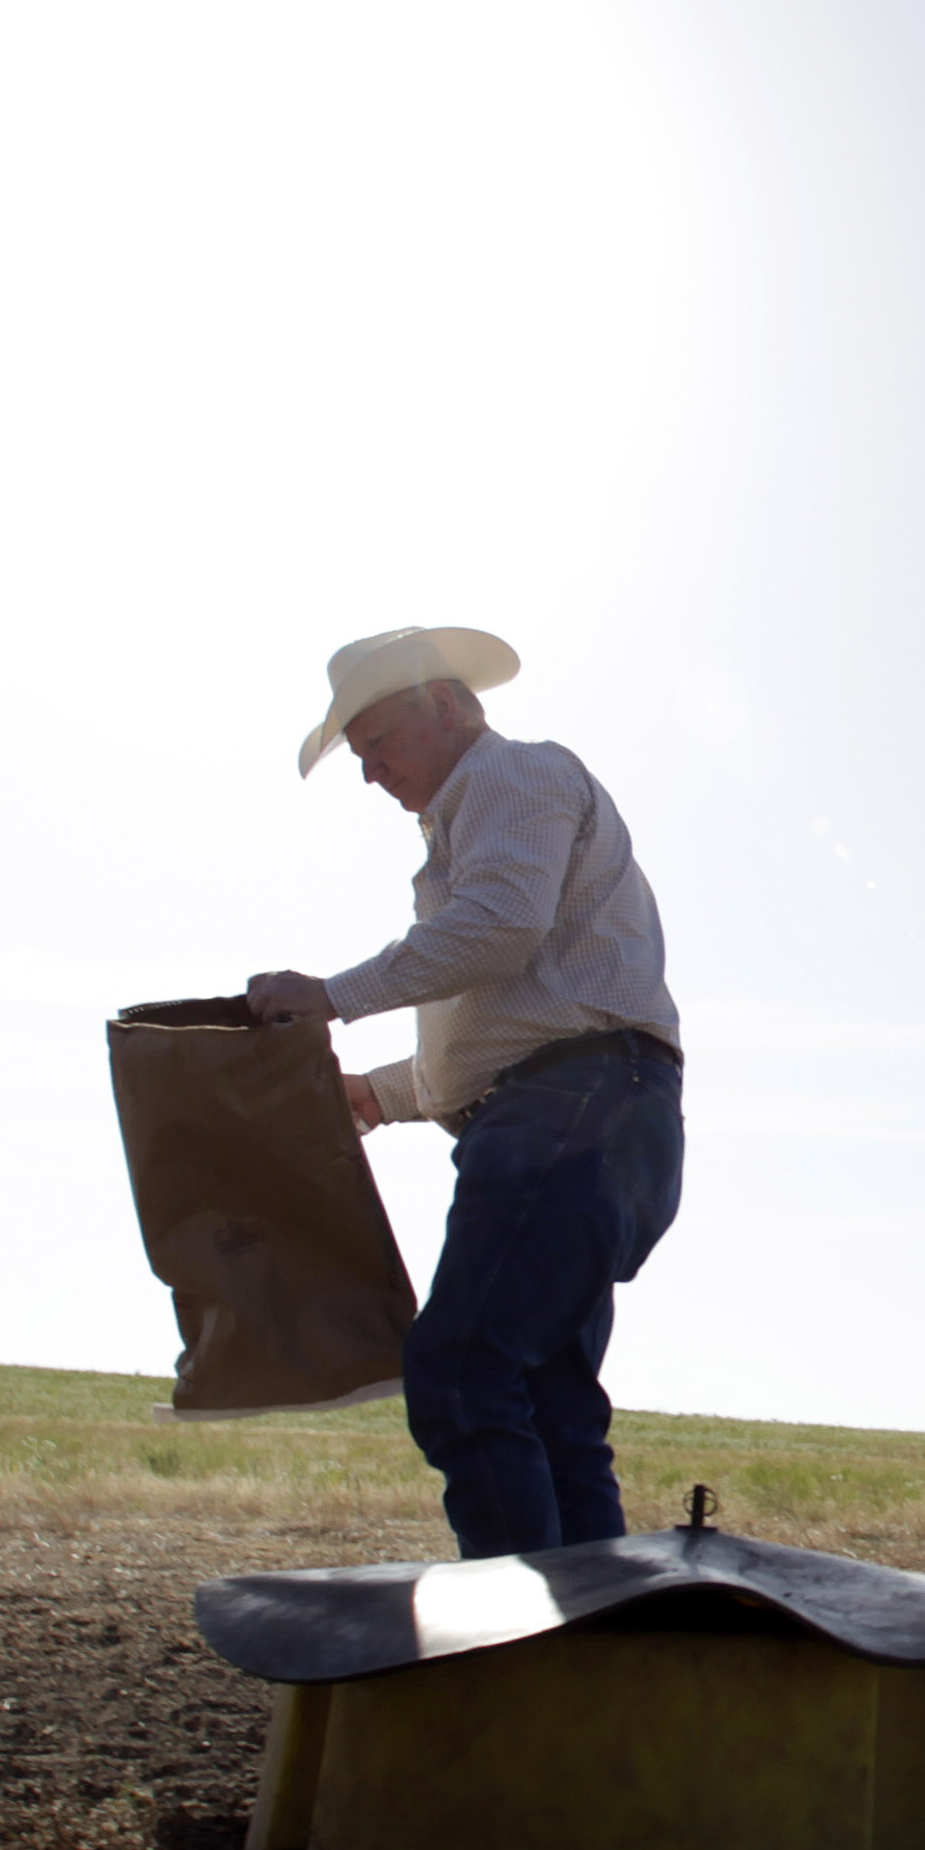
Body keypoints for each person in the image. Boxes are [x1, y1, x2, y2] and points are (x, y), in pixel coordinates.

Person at [246, 626, 686, 1559]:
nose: (372, 775)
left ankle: (520, 1646)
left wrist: (332, 998)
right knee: (549, 1399)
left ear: (445, 705)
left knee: (460, 1372)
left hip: (568, 1113)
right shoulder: (491, 811)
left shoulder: (508, 777)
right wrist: (385, 1094)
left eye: (379, 745)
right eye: (360, 757)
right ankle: (592, 1643)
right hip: (596, 1108)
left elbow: (496, 934)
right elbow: (514, 1011)